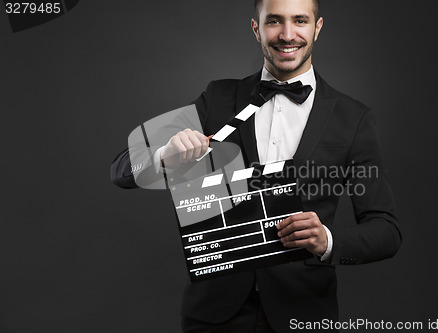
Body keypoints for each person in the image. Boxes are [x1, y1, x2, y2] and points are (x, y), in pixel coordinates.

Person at [111, 0, 402, 331]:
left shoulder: (354, 118)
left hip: (303, 313)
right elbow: (122, 169)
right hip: (213, 314)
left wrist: (328, 241)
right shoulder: (217, 98)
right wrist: (165, 153)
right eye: (275, 21)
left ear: (317, 28)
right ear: (256, 28)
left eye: (300, 21)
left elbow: (387, 231)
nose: (287, 34)